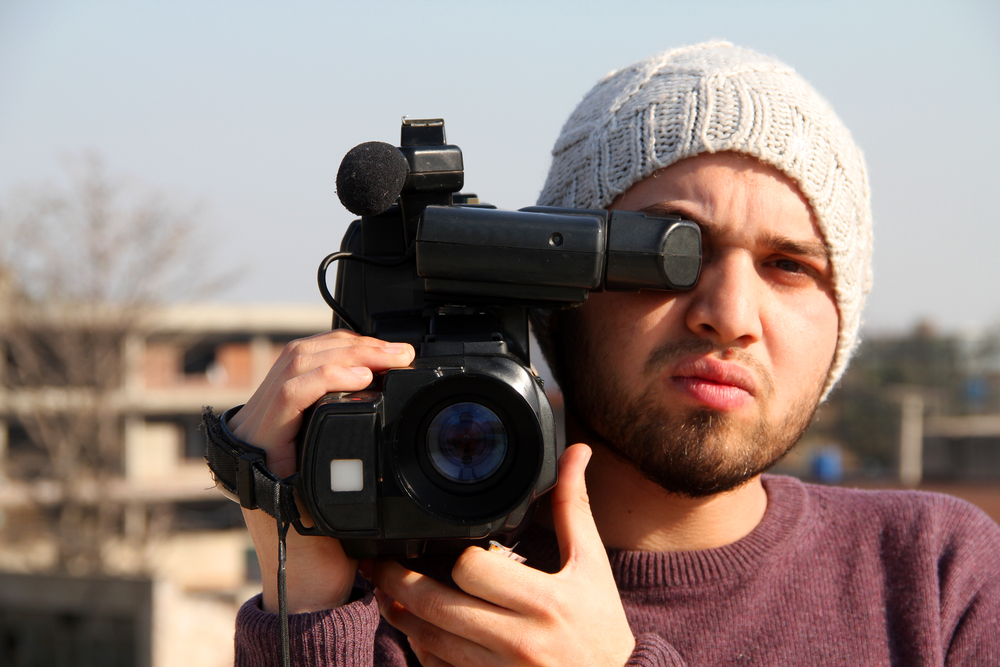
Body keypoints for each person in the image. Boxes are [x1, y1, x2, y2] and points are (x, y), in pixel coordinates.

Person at [222, 42, 1000, 666]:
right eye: (670, 254)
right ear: (554, 281)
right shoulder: (395, 600)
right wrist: (307, 607)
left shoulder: (936, 576)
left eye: (788, 265)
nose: (729, 316)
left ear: (841, 325)